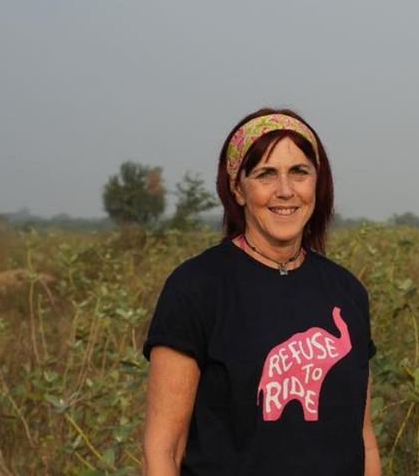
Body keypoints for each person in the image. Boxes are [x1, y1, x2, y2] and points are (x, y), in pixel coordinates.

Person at [142, 109, 381, 475]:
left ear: (318, 183)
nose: (285, 191)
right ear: (238, 188)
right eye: (265, 174)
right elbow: (163, 449)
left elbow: (361, 438)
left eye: (299, 172)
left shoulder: (347, 292)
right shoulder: (197, 287)